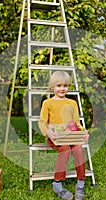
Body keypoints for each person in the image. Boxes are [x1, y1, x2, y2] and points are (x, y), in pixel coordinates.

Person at [38, 71, 88, 200]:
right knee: (65, 149)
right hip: (56, 136)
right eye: (59, 85)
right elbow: (42, 122)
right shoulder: (47, 103)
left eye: (65, 86)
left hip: (71, 135)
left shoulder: (72, 103)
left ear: (69, 87)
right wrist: (49, 132)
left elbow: (76, 123)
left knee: (78, 150)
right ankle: (57, 183)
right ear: (52, 87)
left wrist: (83, 133)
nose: (62, 88)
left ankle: (81, 183)